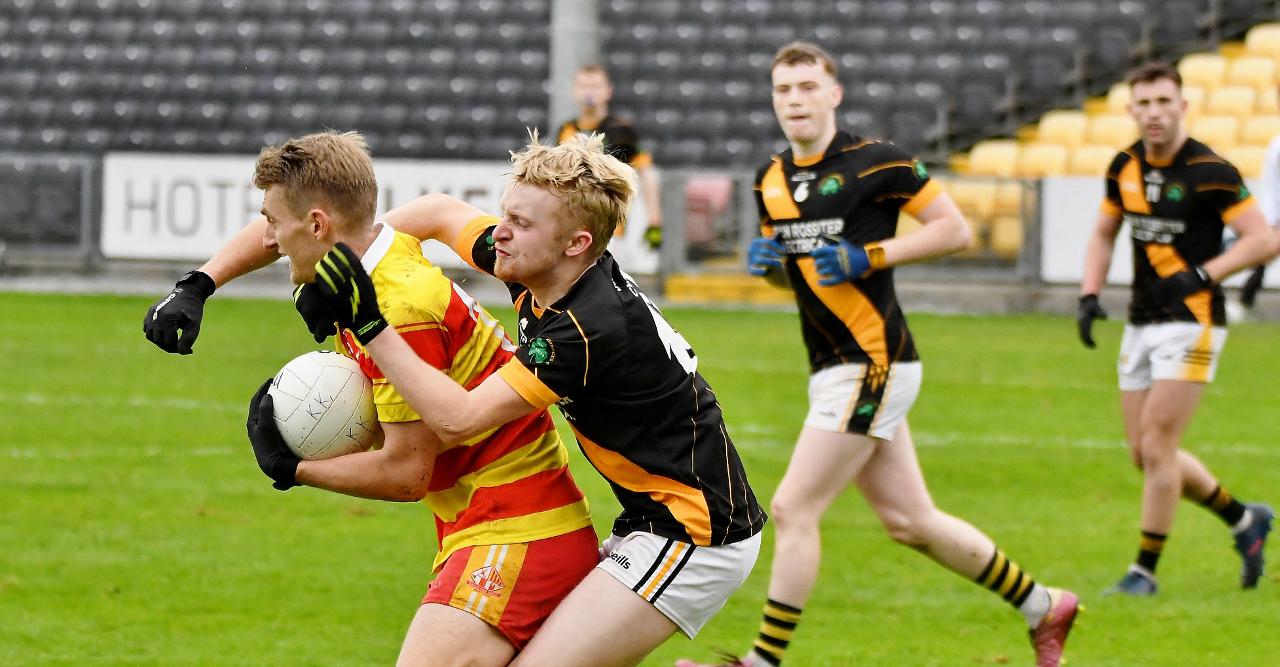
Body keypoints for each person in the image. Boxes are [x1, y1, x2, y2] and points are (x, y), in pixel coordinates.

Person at [293, 131, 766, 667]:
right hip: (648, 520)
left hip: (697, 535)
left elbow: (456, 420)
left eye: (521, 223)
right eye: (505, 215)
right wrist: (351, 267)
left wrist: (367, 321)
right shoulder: (546, 270)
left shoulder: (584, 331)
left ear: (576, 242)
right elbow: (438, 211)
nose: (501, 233)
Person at [678, 41, 1078, 667]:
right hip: (833, 365)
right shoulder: (771, 179)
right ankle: (1044, 607)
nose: (795, 101)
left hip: (874, 361)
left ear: (834, 94)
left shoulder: (878, 163)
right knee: (910, 521)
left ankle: (762, 663)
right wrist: (771, 269)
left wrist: (871, 256)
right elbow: (795, 278)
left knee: (792, 506)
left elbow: (955, 229)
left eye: (808, 87)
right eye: (784, 90)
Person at [148, 131, 599, 667]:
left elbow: (407, 474)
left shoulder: (398, 307)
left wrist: (290, 467)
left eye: (273, 222)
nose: (269, 238)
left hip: (519, 529)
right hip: (488, 523)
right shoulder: (378, 246)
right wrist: (198, 284)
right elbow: (282, 230)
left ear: (318, 226)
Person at [1076, 62, 1279, 597]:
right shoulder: (1123, 166)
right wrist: (1089, 294)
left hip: (1193, 322)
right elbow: (1102, 233)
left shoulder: (1211, 169)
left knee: (1160, 444)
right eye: (1144, 104)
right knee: (1143, 454)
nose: (1155, 113)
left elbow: (1263, 239)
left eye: (1164, 102)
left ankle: (1143, 572)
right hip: (1140, 321)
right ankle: (1243, 519)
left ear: (1183, 106)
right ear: (1131, 111)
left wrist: (1202, 274)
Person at [556, 64, 664, 251]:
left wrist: (654, 221)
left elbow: (646, 171)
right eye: (583, 86)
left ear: (607, 92)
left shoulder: (621, 131)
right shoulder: (566, 131)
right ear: (574, 91)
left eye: (595, 86)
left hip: (610, 228)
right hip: (572, 226)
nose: (589, 91)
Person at [1238, 83, 1280, 310]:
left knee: (1267, 254)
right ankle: (1246, 296)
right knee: (1266, 253)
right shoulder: (1277, 146)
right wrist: (1272, 219)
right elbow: (1272, 186)